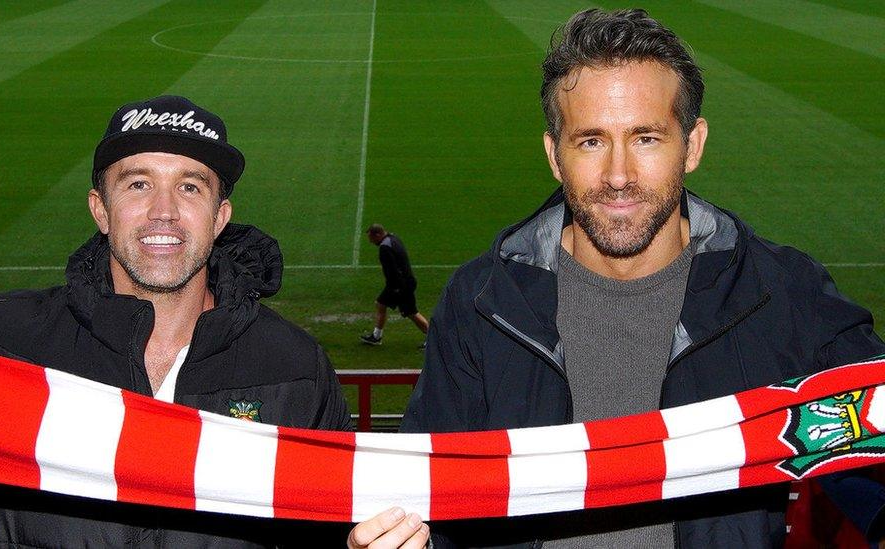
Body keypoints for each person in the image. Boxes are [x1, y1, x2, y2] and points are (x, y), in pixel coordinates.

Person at [353, 8, 885, 549]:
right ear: (554, 156)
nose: (619, 175)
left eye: (646, 138)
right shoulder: (482, 302)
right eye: (590, 141)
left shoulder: (779, 290)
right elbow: (428, 495)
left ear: (693, 145)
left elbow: (873, 424)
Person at [0, 95, 352, 547]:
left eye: (190, 187)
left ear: (219, 218)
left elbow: (333, 528)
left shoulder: (295, 369)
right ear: (101, 210)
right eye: (137, 185)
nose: (164, 211)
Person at [360, 224, 429, 346]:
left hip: (400, 285)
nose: (371, 242)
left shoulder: (384, 248)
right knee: (381, 304)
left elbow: (391, 270)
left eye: (371, 239)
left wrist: (396, 289)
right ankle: (376, 336)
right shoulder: (393, 238)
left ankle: (434, 338)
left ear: (378, 235)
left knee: (411, 312)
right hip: (403, 282)